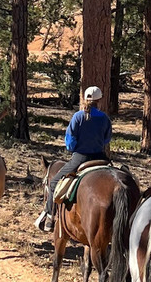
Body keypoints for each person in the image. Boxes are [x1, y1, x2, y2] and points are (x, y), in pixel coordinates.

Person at [35, 85, 112, 232]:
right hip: (101, 157)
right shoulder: (105, 118)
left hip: (80, 158)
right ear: (100, 100)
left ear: (85, 100)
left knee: (54, 183)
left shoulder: (78, 117)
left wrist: (76, 147)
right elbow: (107, 139)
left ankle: (50, 217)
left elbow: (70, 142)